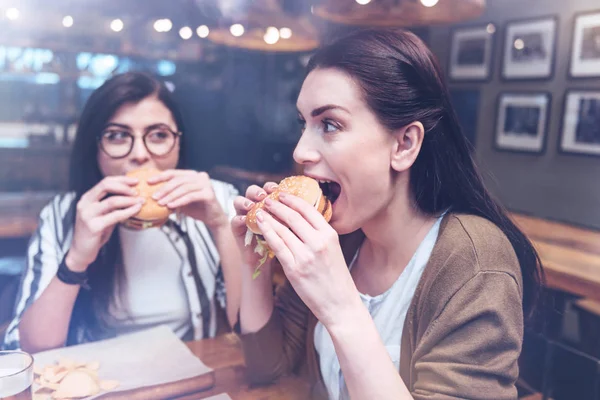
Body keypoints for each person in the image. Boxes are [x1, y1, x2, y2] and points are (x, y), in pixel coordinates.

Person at [231, 29, 543, 400]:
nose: (300, 151)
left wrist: (340, 306)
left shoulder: (475, 261)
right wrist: (257, 262)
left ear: (404, 144)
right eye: (304, 124)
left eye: (329, 124)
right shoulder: (340, 238)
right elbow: (268, 369)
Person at [3, 72, 241, 352]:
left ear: (179, 142)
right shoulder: (63, 215)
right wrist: (77, 258)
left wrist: (221, 226)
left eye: (158, 135)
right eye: (117, 136)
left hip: (196, 377)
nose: (140, 154)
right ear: (94, 148)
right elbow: (29, 349)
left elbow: (248, 331)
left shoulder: (218, 199)